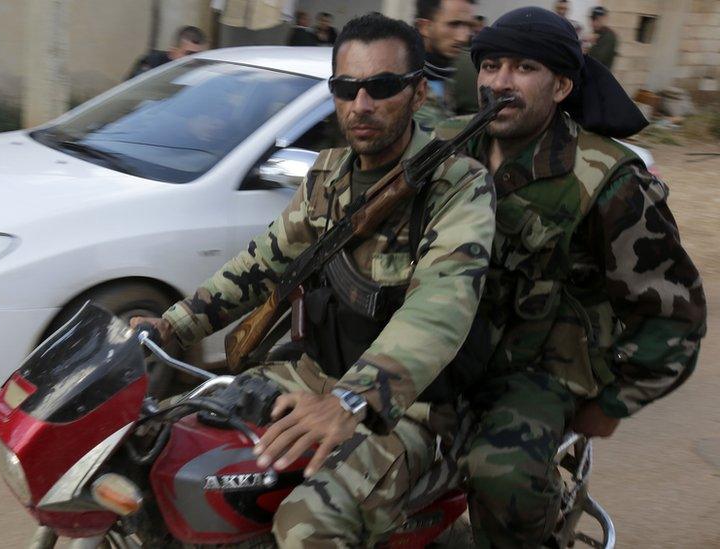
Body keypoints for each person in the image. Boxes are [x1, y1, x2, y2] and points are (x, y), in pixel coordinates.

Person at [132, 13, 496, 547]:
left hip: (413, 408)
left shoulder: (458, 187)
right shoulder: (328, 176)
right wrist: (173, 326)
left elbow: (441, 306)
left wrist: (354, 398)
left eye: (382, 87)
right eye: (346, 88)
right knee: (161, 443)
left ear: (419, 93)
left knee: (305, 524)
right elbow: (262, 262)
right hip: (312, 375)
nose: (361, 104)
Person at [435, 7, 706, 548]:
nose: (500, 82)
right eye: (491, 65)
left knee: (502, 476)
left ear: (561, 85)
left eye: (523, 67)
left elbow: (676, 315)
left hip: (539, 370)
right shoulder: (445, 149)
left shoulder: (607, 180)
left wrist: (611, 404)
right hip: (439, 345)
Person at [414, 0, 477, 128]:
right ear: (424, 27)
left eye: (469, 26)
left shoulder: (446, 74)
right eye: (454, 24)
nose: (463, 37)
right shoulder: (403, 85)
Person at [128, 25, 207, 79]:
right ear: (173, 52)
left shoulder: (205, 70)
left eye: (201, 55)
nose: (195, 60)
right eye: (190, 54)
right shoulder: (153, 62)